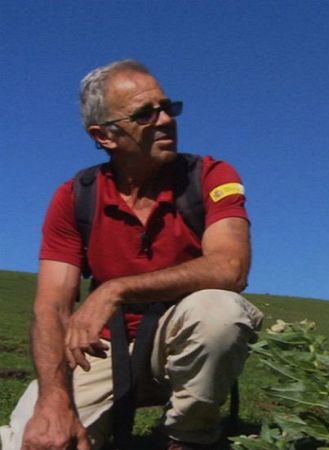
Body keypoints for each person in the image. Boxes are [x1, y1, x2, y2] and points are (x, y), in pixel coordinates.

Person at [0, 60, 264, 450]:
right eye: (144, 113)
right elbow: (52, 308)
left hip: (180, 341)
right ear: (103, 135)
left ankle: (188, 439)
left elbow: (231, 267)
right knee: (31, 441)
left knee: (219, 311)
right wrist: (54, 402)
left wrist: (114, 290)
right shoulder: (75, 197)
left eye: (167, 107)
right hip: (103, 350)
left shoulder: (209, 175)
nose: (165, 120)